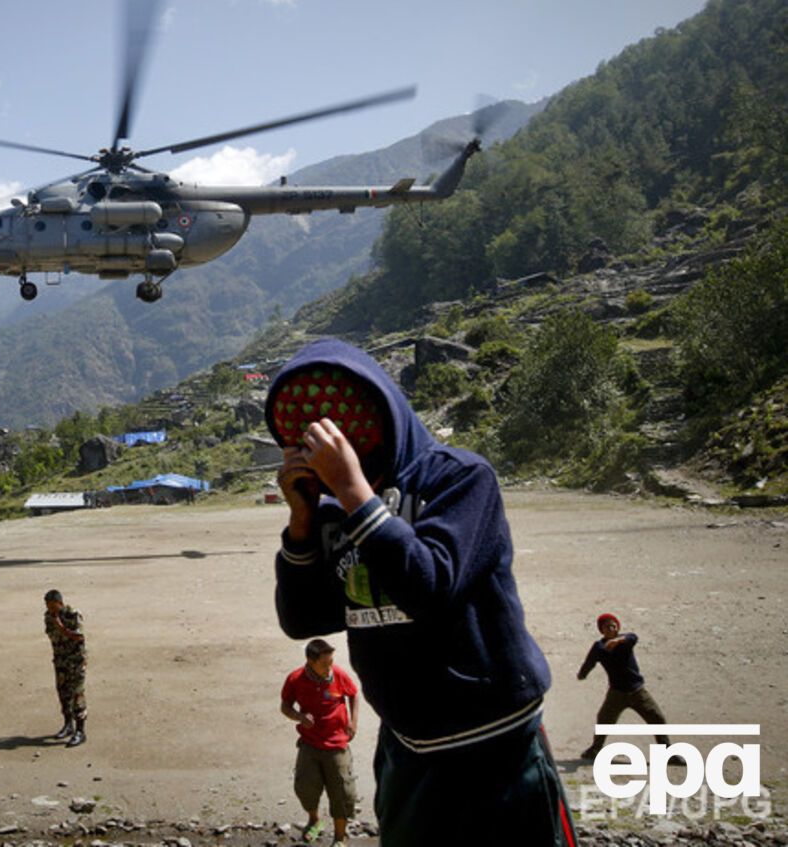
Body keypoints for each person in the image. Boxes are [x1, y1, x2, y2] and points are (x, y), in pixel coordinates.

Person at [270, 340, 578, 847]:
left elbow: (429, 586)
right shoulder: (336, 513)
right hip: (408, 748)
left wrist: (351, 491)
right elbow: (303, 619)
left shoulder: (459, 480)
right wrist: (302, 522)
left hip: (496, 743)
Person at [280, 638, 360, 847]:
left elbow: (353, 694)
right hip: (310, 743)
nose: (329, 667)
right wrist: (299, 717)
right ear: (310, 661)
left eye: (331, 662)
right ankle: (315, 820)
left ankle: (340, 838)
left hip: (337, 745)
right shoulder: (296, 679)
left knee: (342, 792)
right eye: (324, 663)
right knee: (305, 787)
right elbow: (285, 706)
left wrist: (353, 722)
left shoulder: (339, 675)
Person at [576, 613, 670, 760]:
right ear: (602, 630)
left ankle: (667, 753)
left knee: (657, 718)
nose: (611, 628)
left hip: (637, 691)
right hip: (616, 693)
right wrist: (583, 673)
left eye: (614, 626)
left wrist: (619, 640)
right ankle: (595, 749)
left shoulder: (625, 641)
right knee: (604, 720)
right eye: (607, 626)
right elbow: (590, 661)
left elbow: (633, 637)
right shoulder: (599, 647)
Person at [44, 589, 87, 746]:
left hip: (75, 661)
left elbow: (79, 636)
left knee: (77, 695)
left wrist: (61, 627)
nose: (50, 609)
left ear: (60, 603)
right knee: (63, 694)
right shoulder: (48, 616)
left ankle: (80, 731)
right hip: (61, 661)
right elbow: (51, 635)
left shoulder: (73, 614)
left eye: (52, 606)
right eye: (47, 606)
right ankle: (68, 725)